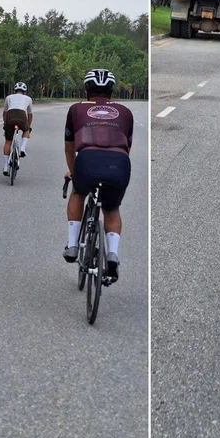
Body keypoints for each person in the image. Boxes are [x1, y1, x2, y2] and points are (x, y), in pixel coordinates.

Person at [62, 69, 134, 284]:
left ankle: (73, 246)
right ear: (112, 91)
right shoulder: (126, 111)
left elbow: (69, 146)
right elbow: (126, 147)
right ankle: (112, 254)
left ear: (86, 90)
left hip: (87, 160)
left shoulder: (76, 109)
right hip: (119, 163)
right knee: (111, 209)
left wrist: (74, 172)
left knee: (78, 192)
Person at [1, 82, 33, 175]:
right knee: (26, 130)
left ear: (14, 91)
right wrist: (28, 127)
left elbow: (5, 113)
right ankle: (22, 148)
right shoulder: (28, 99)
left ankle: (6, 166)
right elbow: (30, 115)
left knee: (8, 142)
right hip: (22, 116)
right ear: (25, 92)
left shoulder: (9, 97)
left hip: (10, 116)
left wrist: (5, 124)